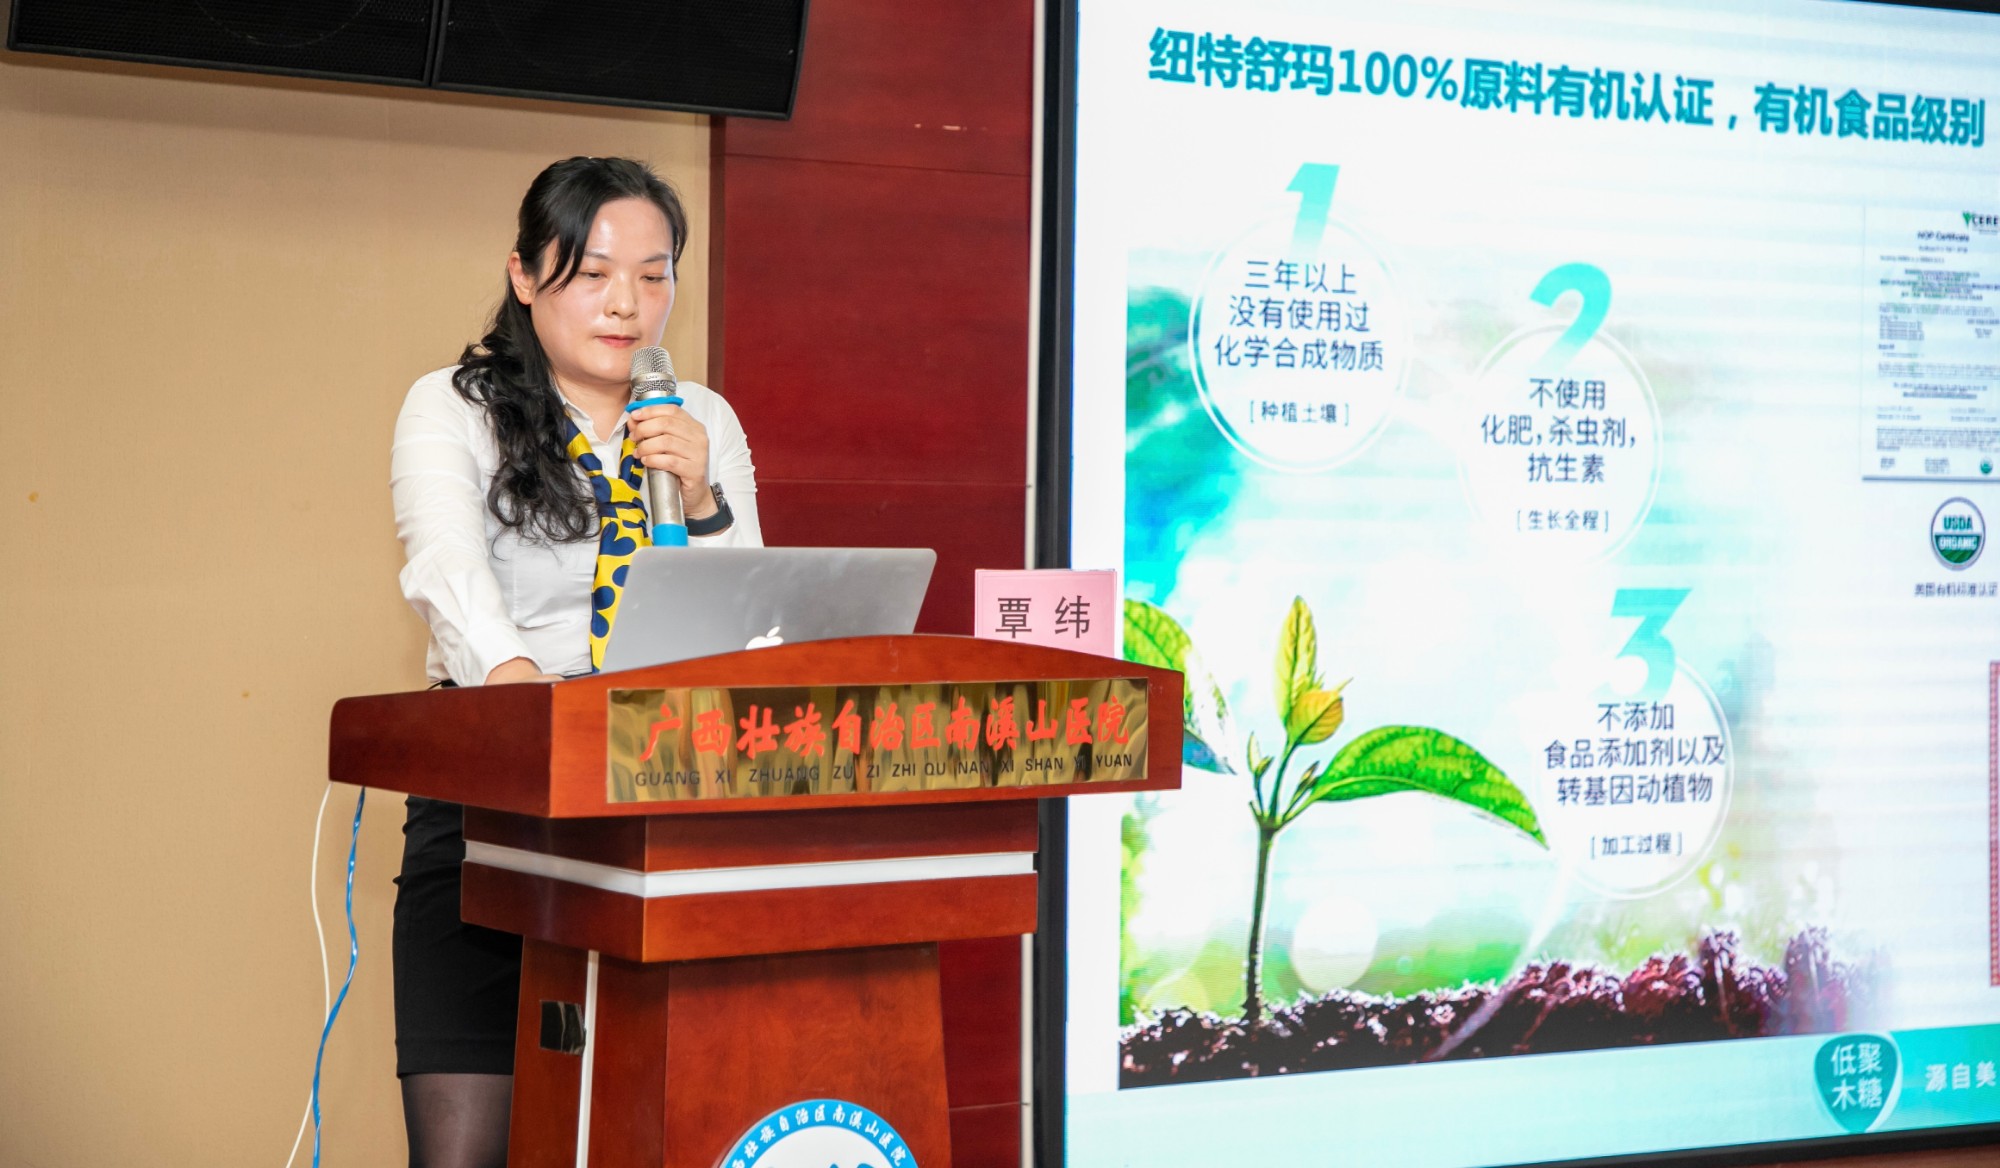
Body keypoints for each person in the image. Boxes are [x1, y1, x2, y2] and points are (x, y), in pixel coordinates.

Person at [387, 156, 761, 1168]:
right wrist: (526, 706)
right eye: (593, 273)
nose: (625, 303)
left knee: (645, 1131)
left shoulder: (703, 419)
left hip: (660, 795)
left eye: (653, 274)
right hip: (496, 791)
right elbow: (446, 567)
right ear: (524, 274)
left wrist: (705, 502)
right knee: (464, 1147)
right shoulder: (452, 406)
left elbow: (746, 620)